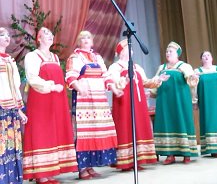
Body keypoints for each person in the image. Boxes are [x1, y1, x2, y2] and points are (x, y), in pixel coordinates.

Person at [23, 27, 78, 184]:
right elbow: (32, 78)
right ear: (39, 38)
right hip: (41, 100)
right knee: (42, 131)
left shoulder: (54, 57)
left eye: (51, 34)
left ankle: (50, 171)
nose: (50, 36)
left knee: (54, 132)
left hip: (56, 101)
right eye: (46, 34)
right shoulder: (33, 56)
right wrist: (51, 86)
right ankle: (41, 174)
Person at [65, 31, 122, 179]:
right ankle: (82, 168)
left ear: (92, 42)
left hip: (98, 99)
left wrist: (115, 89)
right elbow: (70, 75)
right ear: (79, 42)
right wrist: (79, 88)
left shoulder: (97, 57)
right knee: (84, 131)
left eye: (88, 37)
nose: (85, 40)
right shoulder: (75, 57)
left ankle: (90, 165)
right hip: (85, 99)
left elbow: (106, 76)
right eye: (82, 38)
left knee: (97, 130)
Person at [108, 39, 165, 171]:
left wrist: (158, 80)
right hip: (124, 102)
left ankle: (137, 159)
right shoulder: (115, 67)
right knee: (125, 126)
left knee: (138, 126)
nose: (131, 51)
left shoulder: (137, 67)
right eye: (128, 48)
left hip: (138, 103)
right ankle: (125, 161)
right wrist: (124, 80)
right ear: (121, 52)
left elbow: (145, 82)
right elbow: (114, 83)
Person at [152, 41, 199, 165]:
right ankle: (169, 155)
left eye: (170, 51)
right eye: (167, 51)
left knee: (182, 122)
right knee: (167, 124)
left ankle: (186, 154)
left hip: (180, 101)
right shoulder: (161, 68)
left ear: (177, 54)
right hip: (164, 102)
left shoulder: (184, 66)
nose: (168, 53)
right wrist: (151, 92)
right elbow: (155, 82)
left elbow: (191, 80)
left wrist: (193, 77)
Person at [0, 27, 28, 184]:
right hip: (1, 106)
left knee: (11, 142)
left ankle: (11, 178)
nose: (6, 37)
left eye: (8, 35)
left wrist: (19, 109)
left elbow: (15, 85)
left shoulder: (10, 60)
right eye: (2, 35)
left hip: (11, 107)